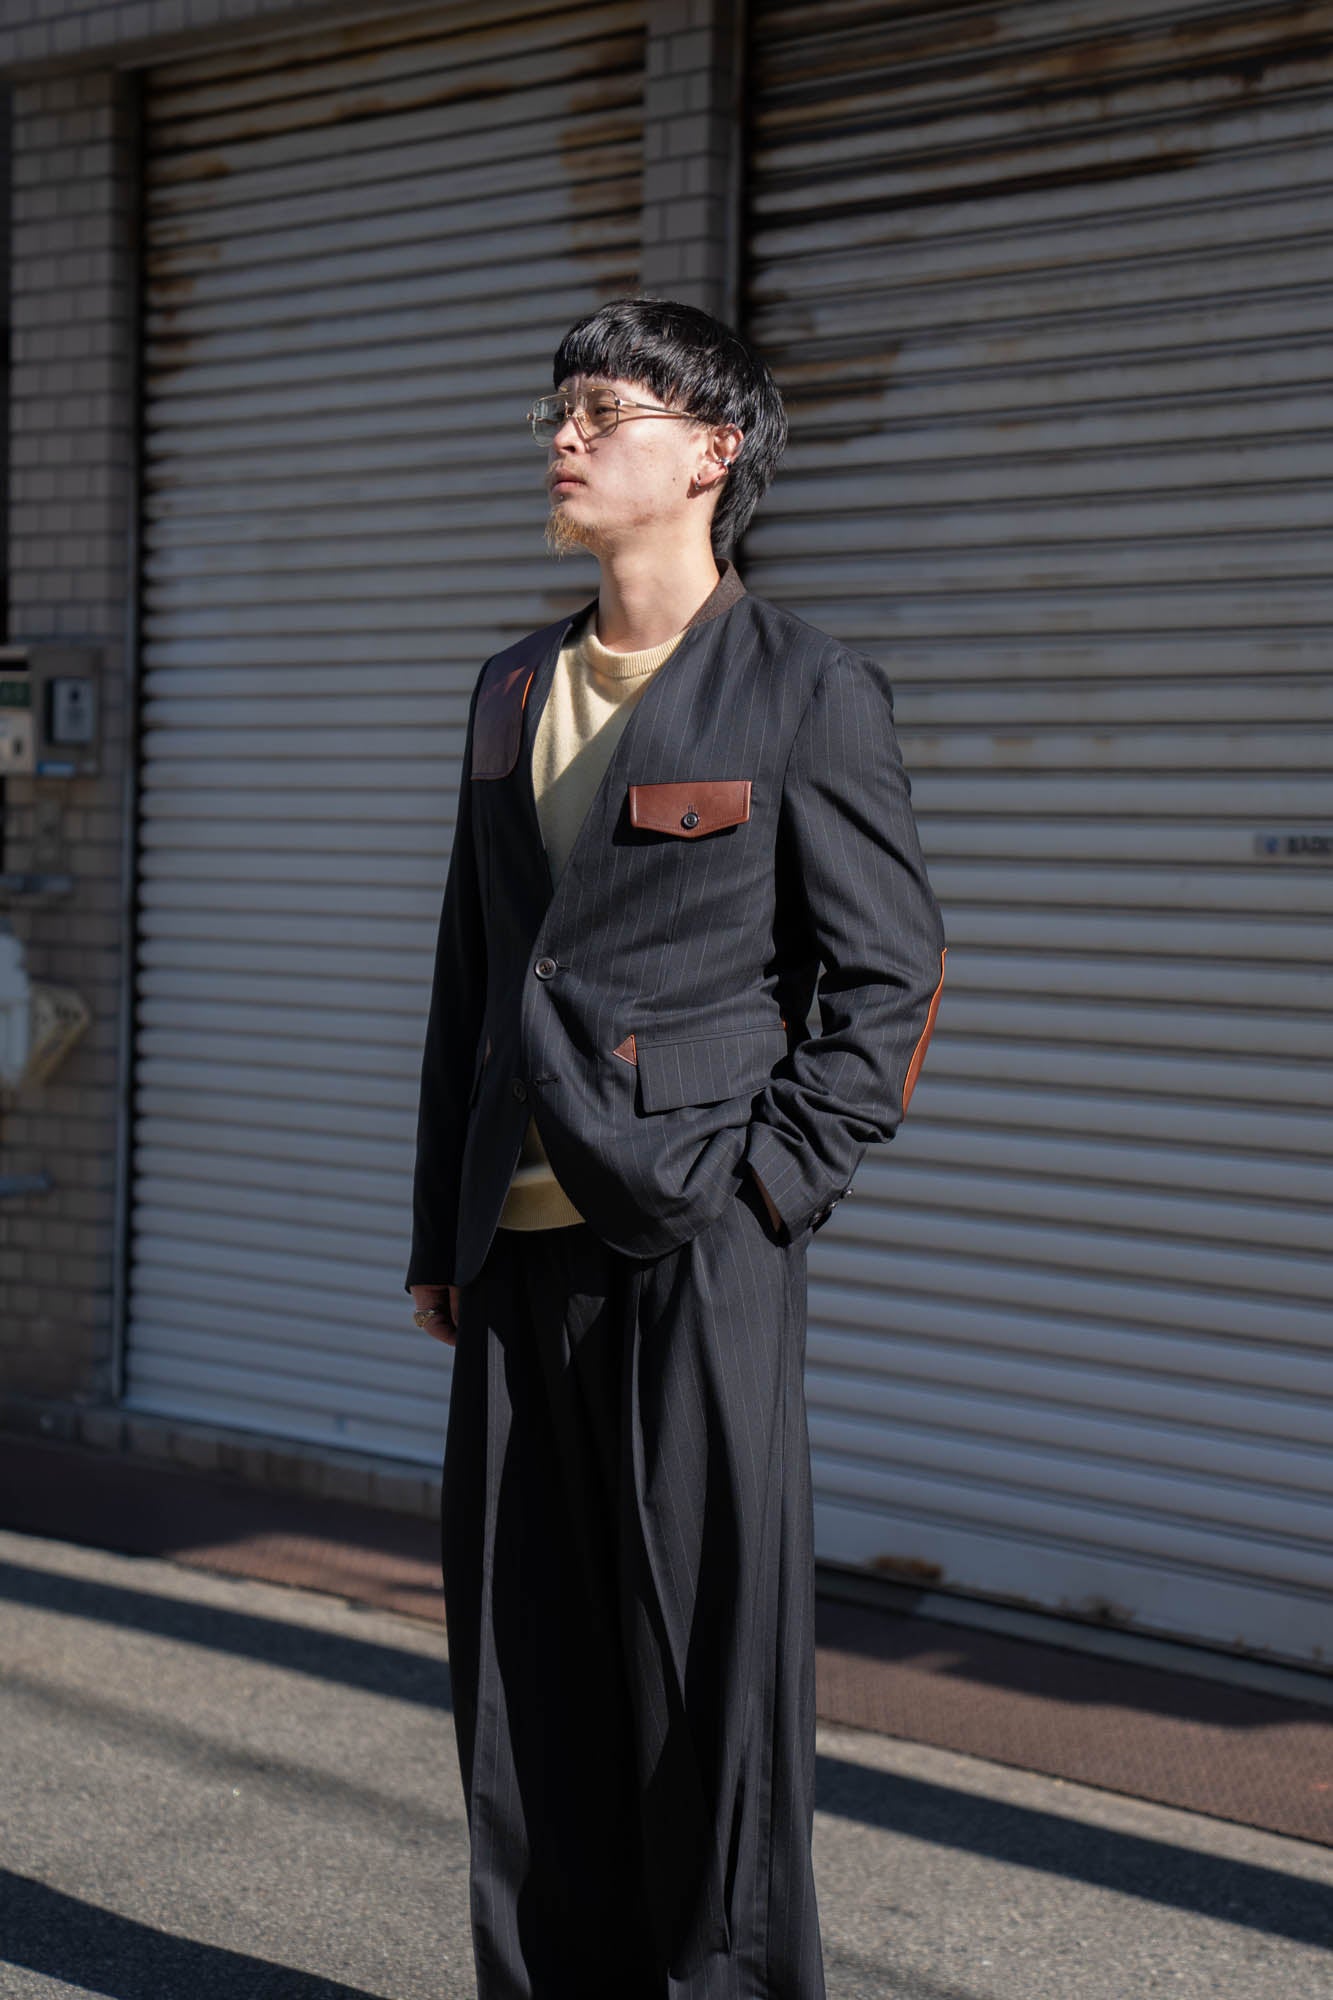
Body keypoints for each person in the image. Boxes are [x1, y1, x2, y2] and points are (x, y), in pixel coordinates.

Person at [406, 297, 945, 2000]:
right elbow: (475, 974)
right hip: (513, 1244)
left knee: (711, 1669)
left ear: (712, 451)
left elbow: (889, 976)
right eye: (555, 412)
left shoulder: (803, 688)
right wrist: (437, 1228)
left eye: (600, 410)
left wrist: (772, 1187)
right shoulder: (511, 684)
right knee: (522, 1665)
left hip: (698, 1236)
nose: (562, 439)